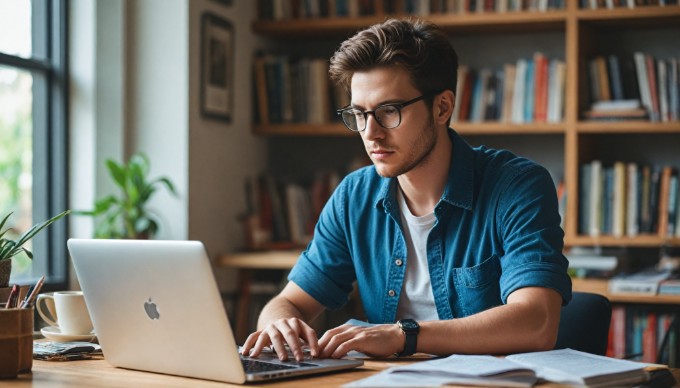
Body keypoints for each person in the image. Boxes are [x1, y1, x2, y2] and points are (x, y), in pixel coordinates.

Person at [241, 17, 572, 362]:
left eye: (389, 111)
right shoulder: (354, 196)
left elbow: (537, 322)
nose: (371, 133)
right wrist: (279, 324)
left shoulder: (517, 187)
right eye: (359, 114)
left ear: (442, 107)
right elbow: (290, 301)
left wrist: (403, 336)